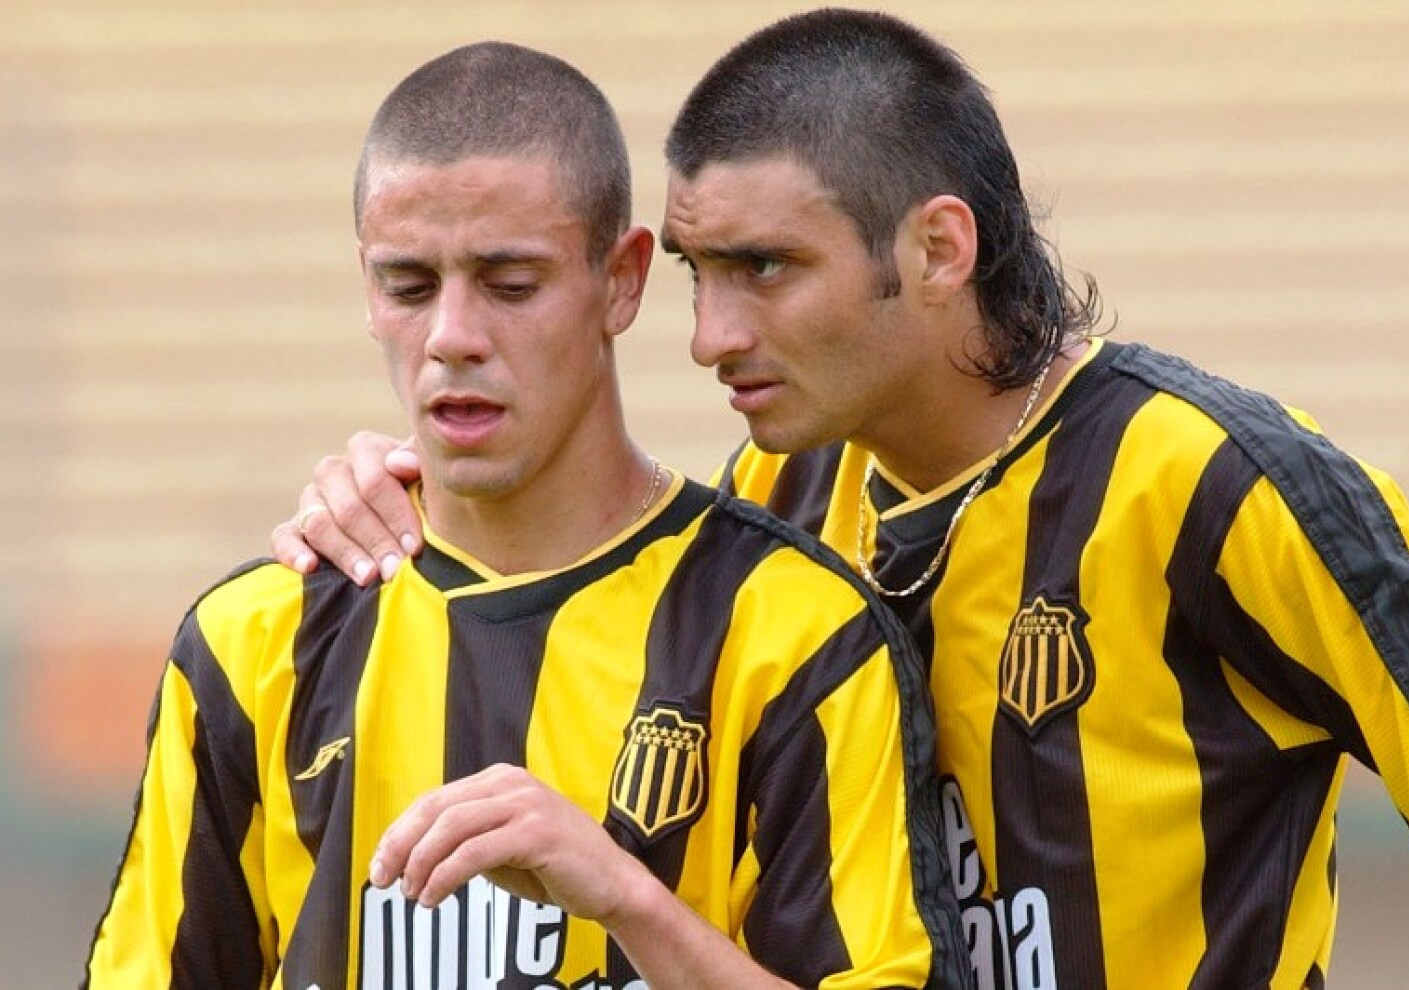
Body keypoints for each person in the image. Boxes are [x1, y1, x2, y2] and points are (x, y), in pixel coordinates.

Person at [270, 11, 1409, 990]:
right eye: (698, 273)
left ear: (937, 249)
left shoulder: (1216, 482)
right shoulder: (785, 488)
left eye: (764, 268)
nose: (708, 336)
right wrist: (415, 496)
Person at [86, 39, 975, 990]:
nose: (453, 338)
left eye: (511, 285)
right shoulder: (254, 641)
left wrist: (626, 899)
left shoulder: (794, 633)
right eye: (408, 286)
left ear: (622, 281)